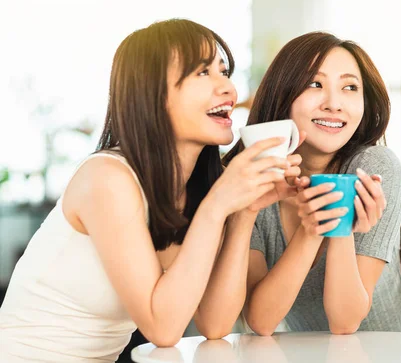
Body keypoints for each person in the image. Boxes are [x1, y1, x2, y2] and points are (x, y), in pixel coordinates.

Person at [0, 19, 302, 362]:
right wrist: (218, 206)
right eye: (203, 73)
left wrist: (245, 211)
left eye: (224, 72)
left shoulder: (194, 187)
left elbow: (215, 322)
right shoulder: (107, 178)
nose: (229, 91)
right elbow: (163, 327)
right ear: (153, 94)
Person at [223, 32, 401, 336]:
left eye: (350, 87)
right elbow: (260, 320)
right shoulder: (256, 182)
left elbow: (345, 321)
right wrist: (310, 232)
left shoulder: (373, 168)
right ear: (281, 95)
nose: (334, 104)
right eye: (315, 84)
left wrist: (339, 227)